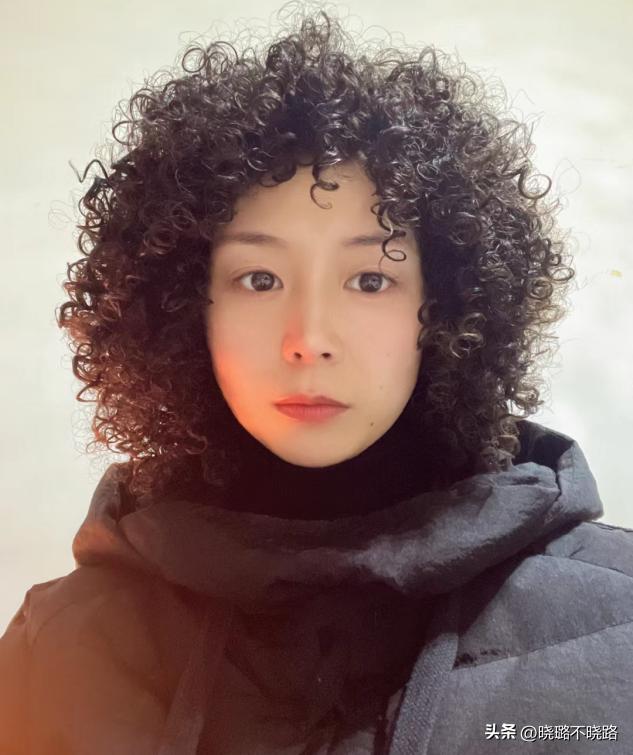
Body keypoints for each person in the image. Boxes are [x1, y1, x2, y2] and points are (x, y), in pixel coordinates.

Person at [1, 4, 631, 754]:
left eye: (369, 279)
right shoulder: (57, 650)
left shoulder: (617, 624)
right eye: (259, 278)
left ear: (446, 306)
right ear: (182, 307)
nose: (308, 340)